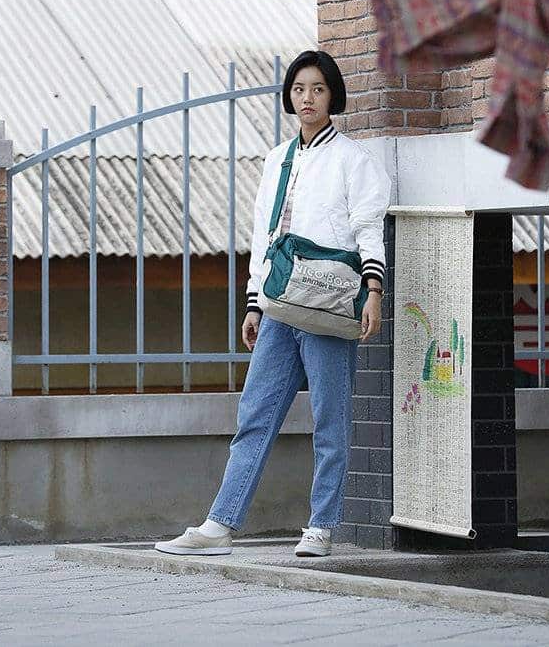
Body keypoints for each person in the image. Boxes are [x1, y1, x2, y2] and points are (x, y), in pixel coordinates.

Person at [155, 50, 391, 558]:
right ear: (289, 96)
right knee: (255, 415)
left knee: (330, 420)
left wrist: (374, 289)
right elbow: (264, 235)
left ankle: (321, 527)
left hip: (329, 305)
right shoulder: (277, 158)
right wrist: (254, 302)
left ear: (332, 96)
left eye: (318, 89)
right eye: (299, 89)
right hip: (281, 306)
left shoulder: (353, 159)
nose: (308, 98)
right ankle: (220, 525)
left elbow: (368, 227)